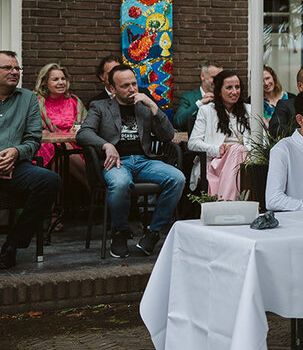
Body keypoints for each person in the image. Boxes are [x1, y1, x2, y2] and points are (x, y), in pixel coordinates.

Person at [78, 64, 184, 258]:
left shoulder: (144, 105)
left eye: (134, 84)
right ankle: (119, 232)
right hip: (117, 162)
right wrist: (106, 145)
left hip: (145, 161)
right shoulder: (100, 107)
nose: (132, 89)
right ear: (112, 89)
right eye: (125, 86)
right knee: (120, 183)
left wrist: (153, 107)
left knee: (177, 178)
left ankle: (153, 232)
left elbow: (168, 135)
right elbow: (83, 133)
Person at [0, 51, 60, 269]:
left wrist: (16, 153)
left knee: (50, 180)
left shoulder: (28, 99)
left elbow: (33, 139)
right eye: (8, 68)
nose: (14, 72)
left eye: (17, 68)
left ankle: (12, 245)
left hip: (16, 166)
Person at [188, 69, 252, 199]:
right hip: (215, 161)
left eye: (237, 87)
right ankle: (230, 203)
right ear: (218, 90)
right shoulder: (206, 111)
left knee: (237, 151)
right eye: (229, 87)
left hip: (246, 160)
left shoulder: (249, 110)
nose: (234, 92)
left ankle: (225, 203)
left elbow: (262, 141)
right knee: (236, 151)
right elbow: (192, 143)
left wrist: (244, 151)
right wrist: (219, 149)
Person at [34, 62, 89, 199]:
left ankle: (54, 212)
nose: (61, 82)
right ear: (45, 83)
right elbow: (34, 127)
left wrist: (78, 128)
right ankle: (94, 186)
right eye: (55, 79)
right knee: (58, 151)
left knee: (62, 154)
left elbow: (86, 123)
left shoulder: (74, 101)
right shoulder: (38, 103)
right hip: (47, 145)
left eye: (63, 79)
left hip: (75, 143)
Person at [173, 60, 222, 133]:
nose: (217, 81)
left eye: (220, 78)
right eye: (214, 78)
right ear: (202, 76)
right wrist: (200, 103)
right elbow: (178, 122)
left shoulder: (225, 97)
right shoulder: (187, 97)